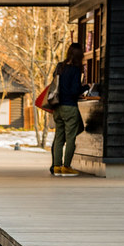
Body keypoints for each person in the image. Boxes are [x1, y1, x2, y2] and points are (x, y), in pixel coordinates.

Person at [50, 43, 89, 176]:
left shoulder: (60, 66)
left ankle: (56, 166)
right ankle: (66, 166)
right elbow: (74, 91)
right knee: (70, 138)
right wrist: (86, 87)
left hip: (57, 107)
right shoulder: (76, 69)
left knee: (59, 137)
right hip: (69, 107)